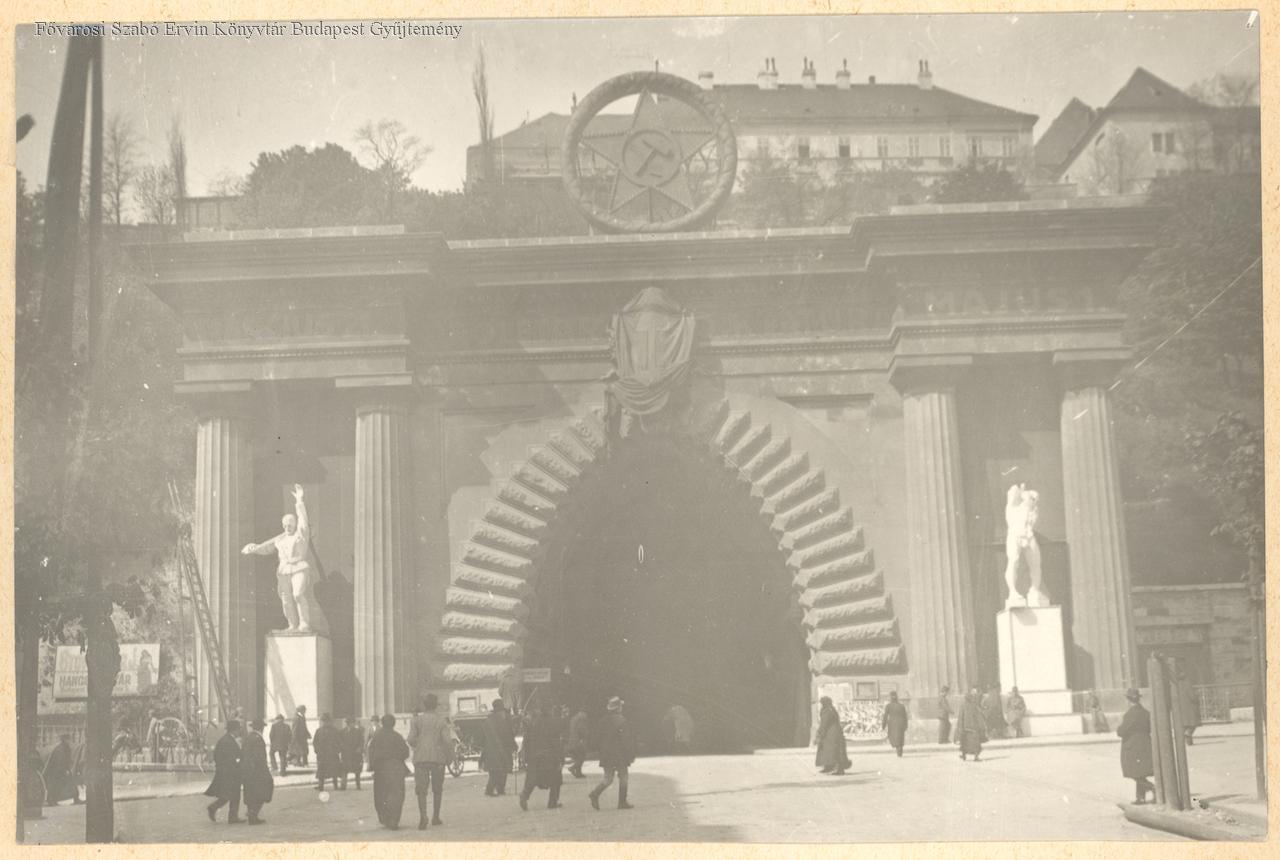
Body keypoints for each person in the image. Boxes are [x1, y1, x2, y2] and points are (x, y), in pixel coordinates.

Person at [241, 483, 324, 633]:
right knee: (286, 600)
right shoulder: (280, 539)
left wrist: (299, 501)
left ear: (294, 525)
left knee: (298, 594)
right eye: (285, 525)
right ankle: (292, 625)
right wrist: (253, 549)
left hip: (299, 567)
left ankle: (304, 624)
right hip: (283, 570)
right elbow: (266, 547)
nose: (287, 527)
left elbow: (303, 521)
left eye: (290, 524)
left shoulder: (301, 535)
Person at [407, 693, 459, 829]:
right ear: (435, 705)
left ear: (424, 705)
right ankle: (435, 817)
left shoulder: (416, 720)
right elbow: (447, 741)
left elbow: (410, 739)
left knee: (421, 790)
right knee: (437, 789)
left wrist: (420, 744)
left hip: (421, 758)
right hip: (438, 758)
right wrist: (451, 757)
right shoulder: (441, 721)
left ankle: (423, 816)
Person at [589, 696, 636, 810]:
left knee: (608, 778)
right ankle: (622, 802)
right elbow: (626, 740)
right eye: (621, 706)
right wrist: (631, 754)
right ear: (618, 708)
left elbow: (597, 738)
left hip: (606, 754)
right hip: (619, 754)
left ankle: (595, 793)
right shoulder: (622, 721)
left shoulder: (602, 721)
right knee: (624, 777)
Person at [519, 703, 565, 811]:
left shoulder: (534, 723)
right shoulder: (553, 723)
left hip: (534, 756)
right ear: (550, 710)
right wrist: (560, 757)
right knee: (555, 778)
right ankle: (553, 802)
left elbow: (527, 740)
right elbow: (556, 742)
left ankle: (524, 795)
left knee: (533, 778)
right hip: (549, 756)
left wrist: (526, 756)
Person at [368, 714, 411, 830]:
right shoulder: (397, 736)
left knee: (380, 794)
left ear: (382, 723)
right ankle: (394, 820)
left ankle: (384, 818)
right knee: (396, 795)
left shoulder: (377, 736)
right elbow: (406, 752)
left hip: (381, 769)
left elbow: (371, 751)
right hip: (396, 768)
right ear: (393, 724)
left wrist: (372, 766)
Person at [1117, 687, 1156, 804]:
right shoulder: (1145, 713)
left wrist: (1119, 729)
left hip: (1133, 746)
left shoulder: (1130, 714)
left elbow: (1122, 731)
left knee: (1134, 772)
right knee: (1140, 772)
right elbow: (1150, 728)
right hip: (1145, 743)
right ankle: (1140, 798)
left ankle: (1153, 788)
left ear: (1129, 700)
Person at [205, 720, 243, 823]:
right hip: (229, 772)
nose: (239, 731)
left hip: (227, 771)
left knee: (229, 794)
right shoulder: (228, 741)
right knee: (233, 794)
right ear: (234, 730)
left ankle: (219, 810)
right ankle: (230, 816)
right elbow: (231, 758)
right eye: (238, 729)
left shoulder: (226, 739)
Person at [481, 699, 518, 798]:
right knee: (501, 769)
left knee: (495, 770)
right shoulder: (502, 721)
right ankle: (493, 789)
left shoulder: (488, 720)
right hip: (501, 748)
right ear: (500, 710)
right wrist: (513, 745)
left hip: (491, 749)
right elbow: (508, 734)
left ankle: (497, 789)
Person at [241, 718, 274, 825]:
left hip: (247, 770)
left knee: (251, 792)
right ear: (261, 728)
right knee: (265, 789)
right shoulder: (258, 738)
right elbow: (259, 757)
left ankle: (251, 813)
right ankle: (253, 814)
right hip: (257, 770)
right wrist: (264, 770)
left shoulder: (248, 737)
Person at [814, 696, 851, 775]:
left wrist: (819, 733)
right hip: (832, 733)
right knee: (828, 751)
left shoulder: (827, 711)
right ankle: (828, 766)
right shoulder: (831, 709)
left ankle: (838, 769)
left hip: (831, 734)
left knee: (834, 751)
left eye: (822, 703)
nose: (821, 704)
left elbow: (824, 723)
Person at [42, 735, 81, 806]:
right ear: (65, 740)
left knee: (67, 784)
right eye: (68, 739)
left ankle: (75, 798)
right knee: (58, 785)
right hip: (57, 771)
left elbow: (66, 759)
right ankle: (52, 800)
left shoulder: (63, 747)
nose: (70, 741)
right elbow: (61, 761)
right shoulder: (61, 748)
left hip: (59, 770)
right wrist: (65, 770)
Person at [955, 688, 987, 762]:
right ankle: (976, 757)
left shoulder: (963, 705)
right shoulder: (974, 705)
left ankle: (964, 755)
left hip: (966, 728)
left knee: (965, 742)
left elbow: (961, 717)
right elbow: (978, 716)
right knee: (975, 743)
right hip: (974, 728)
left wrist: (960, 727)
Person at [312, 713, 343, 791]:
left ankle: (335, 785)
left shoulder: (335, 731)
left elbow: (340, 741)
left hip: (332, 754)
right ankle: (320, 786)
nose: (325, 723)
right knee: (321, 771)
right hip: (322, 754)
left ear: (330, 721)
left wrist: (337, 750)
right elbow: (315, 742)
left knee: (334, 770)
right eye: (324, 721)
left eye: (327, 721)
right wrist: (317, 750)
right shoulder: (319, 731)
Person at [1175, 667, 1201, 745]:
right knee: (1193, 724)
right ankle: (1188, 735)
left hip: (1180, 708)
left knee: (1185, 725)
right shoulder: (1187, 683)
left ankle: (1188, 741)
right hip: (1189, 708)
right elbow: (1192, 696)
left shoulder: (1176, 684)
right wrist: (1197, 696)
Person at [881, 692, 909, 757]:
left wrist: (883, 725)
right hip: (900, 724)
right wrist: (906, 725)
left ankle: (898, 749)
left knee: (893, 737)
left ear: (890, 697)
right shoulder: (901, 706)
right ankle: (899, 751)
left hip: (892, 724)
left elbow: (885, 716)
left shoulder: (888, 706)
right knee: (900, 737)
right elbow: (905, 717)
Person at [340, 717, 365, 790]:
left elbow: (362, 741)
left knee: (357, 770)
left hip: (355, 754)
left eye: (353, 723)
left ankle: (358, 785)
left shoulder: (358, 731)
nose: (352, 724)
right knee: (344, 770)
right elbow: (339, 741)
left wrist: (360, 748)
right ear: (347, 724)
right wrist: (342, 747)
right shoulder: (342, 732)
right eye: (350, 723)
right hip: (346, 754)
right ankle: (343, 785)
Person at [567, 707, 589, 778]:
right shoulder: (581, 719)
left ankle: (579, 773)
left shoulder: (573, 718)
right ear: (582, 712)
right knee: (582, 757)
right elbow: (581, 729)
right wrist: (582, 738)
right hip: (579, 740)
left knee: (577, 757)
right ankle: (572, 768)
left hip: (572, 740)